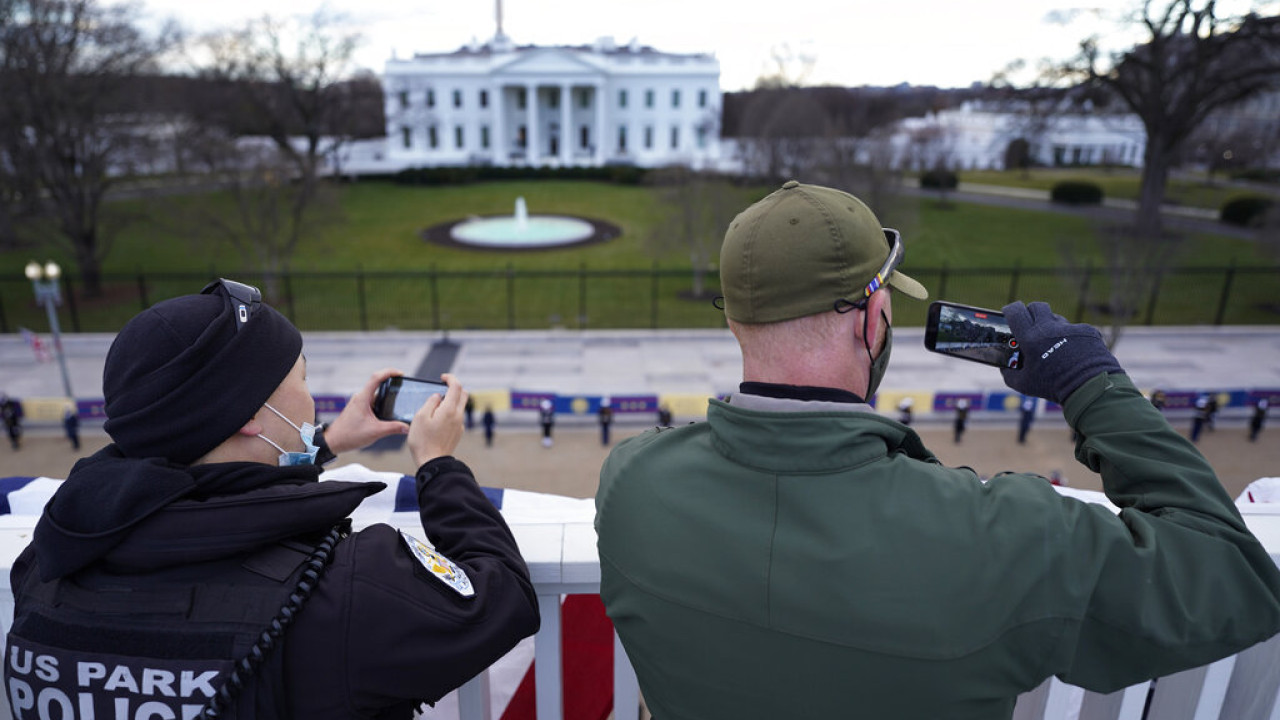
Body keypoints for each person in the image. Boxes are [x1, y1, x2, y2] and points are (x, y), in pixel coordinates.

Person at [595, 181, 1280, 720]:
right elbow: (1231, 576)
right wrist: (1091, 385)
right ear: (873, 319)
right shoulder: (1003, 536)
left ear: (738, 321)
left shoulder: (631, 485)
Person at [5, 279, 540, 719]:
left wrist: (322, 445)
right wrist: (438, 463)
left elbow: (202, 493)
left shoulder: (47, 563)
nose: (310, 399)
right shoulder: (348, 588)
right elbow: (504, 596)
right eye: (302, 378)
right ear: (248, 417)